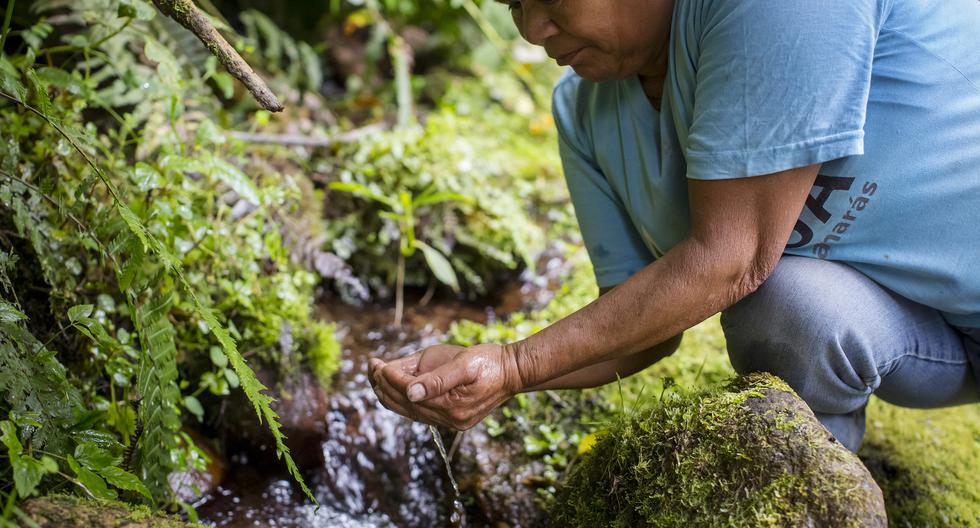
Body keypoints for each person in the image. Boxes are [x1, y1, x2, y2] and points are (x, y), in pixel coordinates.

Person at [370, 0, 980, 452]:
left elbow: (733, 257)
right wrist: (476, 374)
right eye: (514, 4)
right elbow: (639, 324)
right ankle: (825, 496)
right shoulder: (583, 110)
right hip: (915, 336)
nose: (532, 30)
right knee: (788, 306)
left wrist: (514, 365)